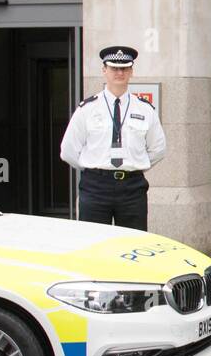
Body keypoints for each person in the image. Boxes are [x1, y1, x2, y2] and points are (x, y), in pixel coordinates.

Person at [60, 45, 165, 231]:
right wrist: (93, 166)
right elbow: (68, 150)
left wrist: (135, 163)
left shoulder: (144, 109)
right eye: (114, 68)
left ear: (131, 71)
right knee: (94, 245)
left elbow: (158, 149)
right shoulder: (87, 109)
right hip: (95, 186)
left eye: (124, 68)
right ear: (104, 70)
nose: (119, 72)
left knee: (133, 244)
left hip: (132, 187)